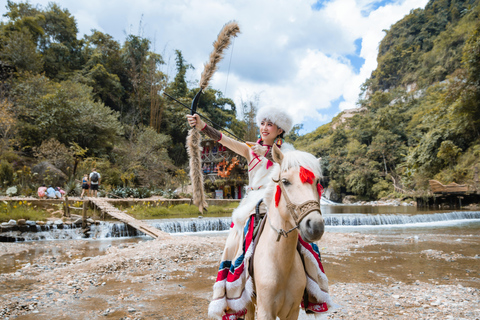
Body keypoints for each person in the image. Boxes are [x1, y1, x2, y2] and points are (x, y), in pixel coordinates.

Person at [187, 107, 332, 320]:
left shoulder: (290, 153)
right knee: (234, 243)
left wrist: (271, 156)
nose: (264, 128)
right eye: (262, 123)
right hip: (254, 204)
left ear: (280, 129)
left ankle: (313, 290)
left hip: (280, 201)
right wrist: (202, 126)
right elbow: (224, 139)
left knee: (306, 244)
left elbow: (295, 174)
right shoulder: (250, 149)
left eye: (269, 124)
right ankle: (232, 292)